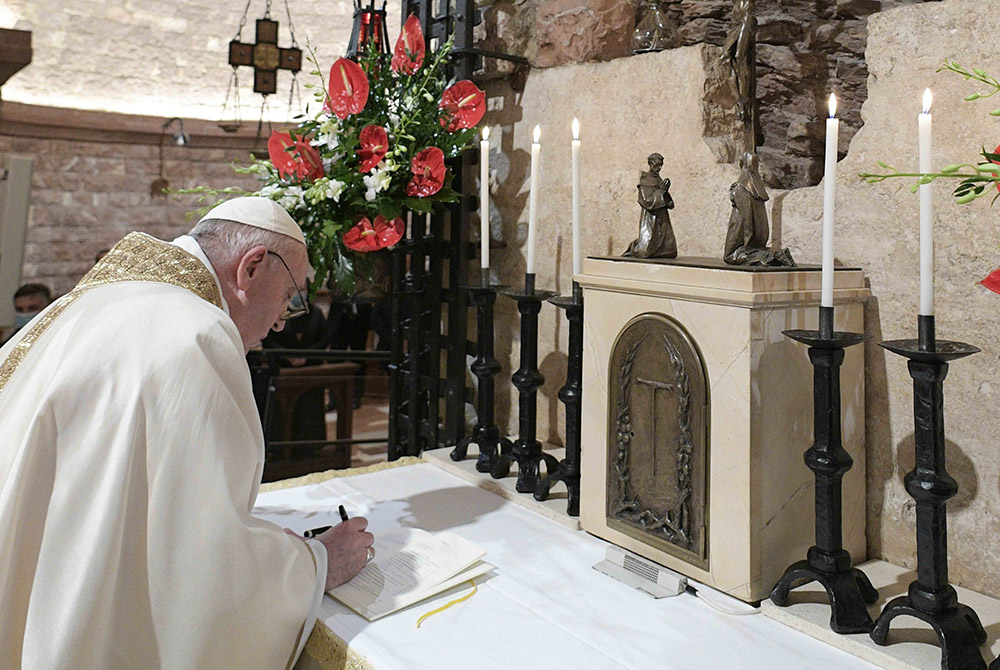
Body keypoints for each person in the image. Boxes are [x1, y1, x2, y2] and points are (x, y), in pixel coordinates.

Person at [0, 197, 374, 669]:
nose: (281, 321)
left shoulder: (112, 296)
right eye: (287, 298)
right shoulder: (197, 335)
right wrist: (316, 562)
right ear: (252, 267)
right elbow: (202, 567)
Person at [624, 153, 677, 259]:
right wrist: (661, 192)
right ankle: (635, 246)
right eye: (657, 165)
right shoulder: (645, 180)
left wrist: (665, 193)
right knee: (645, 251)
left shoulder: (659, 179)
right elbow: (646, 201)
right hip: (650, 217)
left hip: (662, 217)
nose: (659, 168)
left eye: (661, 165)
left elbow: (669, 203)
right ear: (650, 164)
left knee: (669, 250)